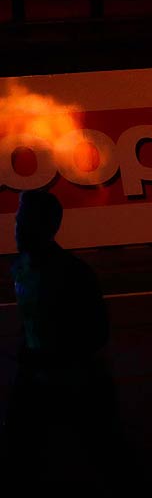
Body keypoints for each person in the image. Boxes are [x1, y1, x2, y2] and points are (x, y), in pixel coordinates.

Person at [6, 189, 112, 445]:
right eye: (19, 220)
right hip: (38, 377)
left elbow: (96, 332)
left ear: (42, 226)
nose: (17, 228)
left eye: (24, 221)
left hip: (67, 382)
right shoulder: (22, 268)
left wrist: (57, 362)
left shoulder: (71, 273)